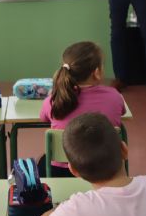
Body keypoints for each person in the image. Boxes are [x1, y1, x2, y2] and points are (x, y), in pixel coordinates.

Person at [38, 41, 125, 177]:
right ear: (96, 72)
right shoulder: (114, 96)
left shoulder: (53, 100)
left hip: (62, 171)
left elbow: (43, 118)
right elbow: (122, 112)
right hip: (105, 169)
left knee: (43, 160)